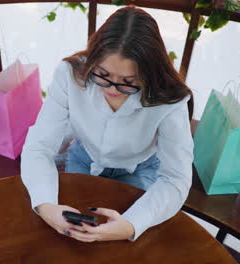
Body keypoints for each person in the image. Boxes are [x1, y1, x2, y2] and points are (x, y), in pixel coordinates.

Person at [21, 5, 194, 243]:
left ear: (148, 75)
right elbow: (39, 146)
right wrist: (46, 205)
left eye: (128, 82)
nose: (112, 90)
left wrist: (132, 225)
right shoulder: (71, 74)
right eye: (102, 75)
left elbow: (176, 179)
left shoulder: (169, 98)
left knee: (125, 246)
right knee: (67, 238)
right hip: (84, 157)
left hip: (140, 168)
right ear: (92, 61)